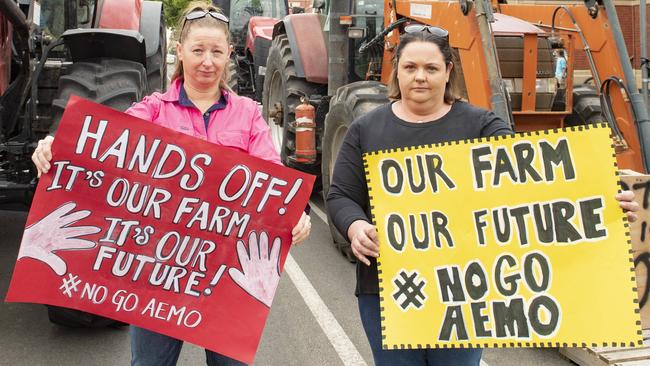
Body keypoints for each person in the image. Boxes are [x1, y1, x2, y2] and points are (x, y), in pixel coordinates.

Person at [326, 25, 638, 366]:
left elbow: (537, 177)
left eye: (431, 68)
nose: (420, 77)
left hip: (465, 289)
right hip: (389, 288)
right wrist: (356, 227)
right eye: (410, 67)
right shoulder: (365, 129)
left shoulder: (481, 125)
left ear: (448, 72)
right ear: (396, 71)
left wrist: (602, 195)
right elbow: (341, 195)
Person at [31, 2, 311, 365]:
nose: (207, 62)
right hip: (158, 271)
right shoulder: (152, 110)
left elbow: (273, 176)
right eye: (197, 50)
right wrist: (57, 146)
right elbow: (101, 147)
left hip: (227, 275)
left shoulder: (248, 114)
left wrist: (297, 212)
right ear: (180, 50)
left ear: (229, 53)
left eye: (216, 51)